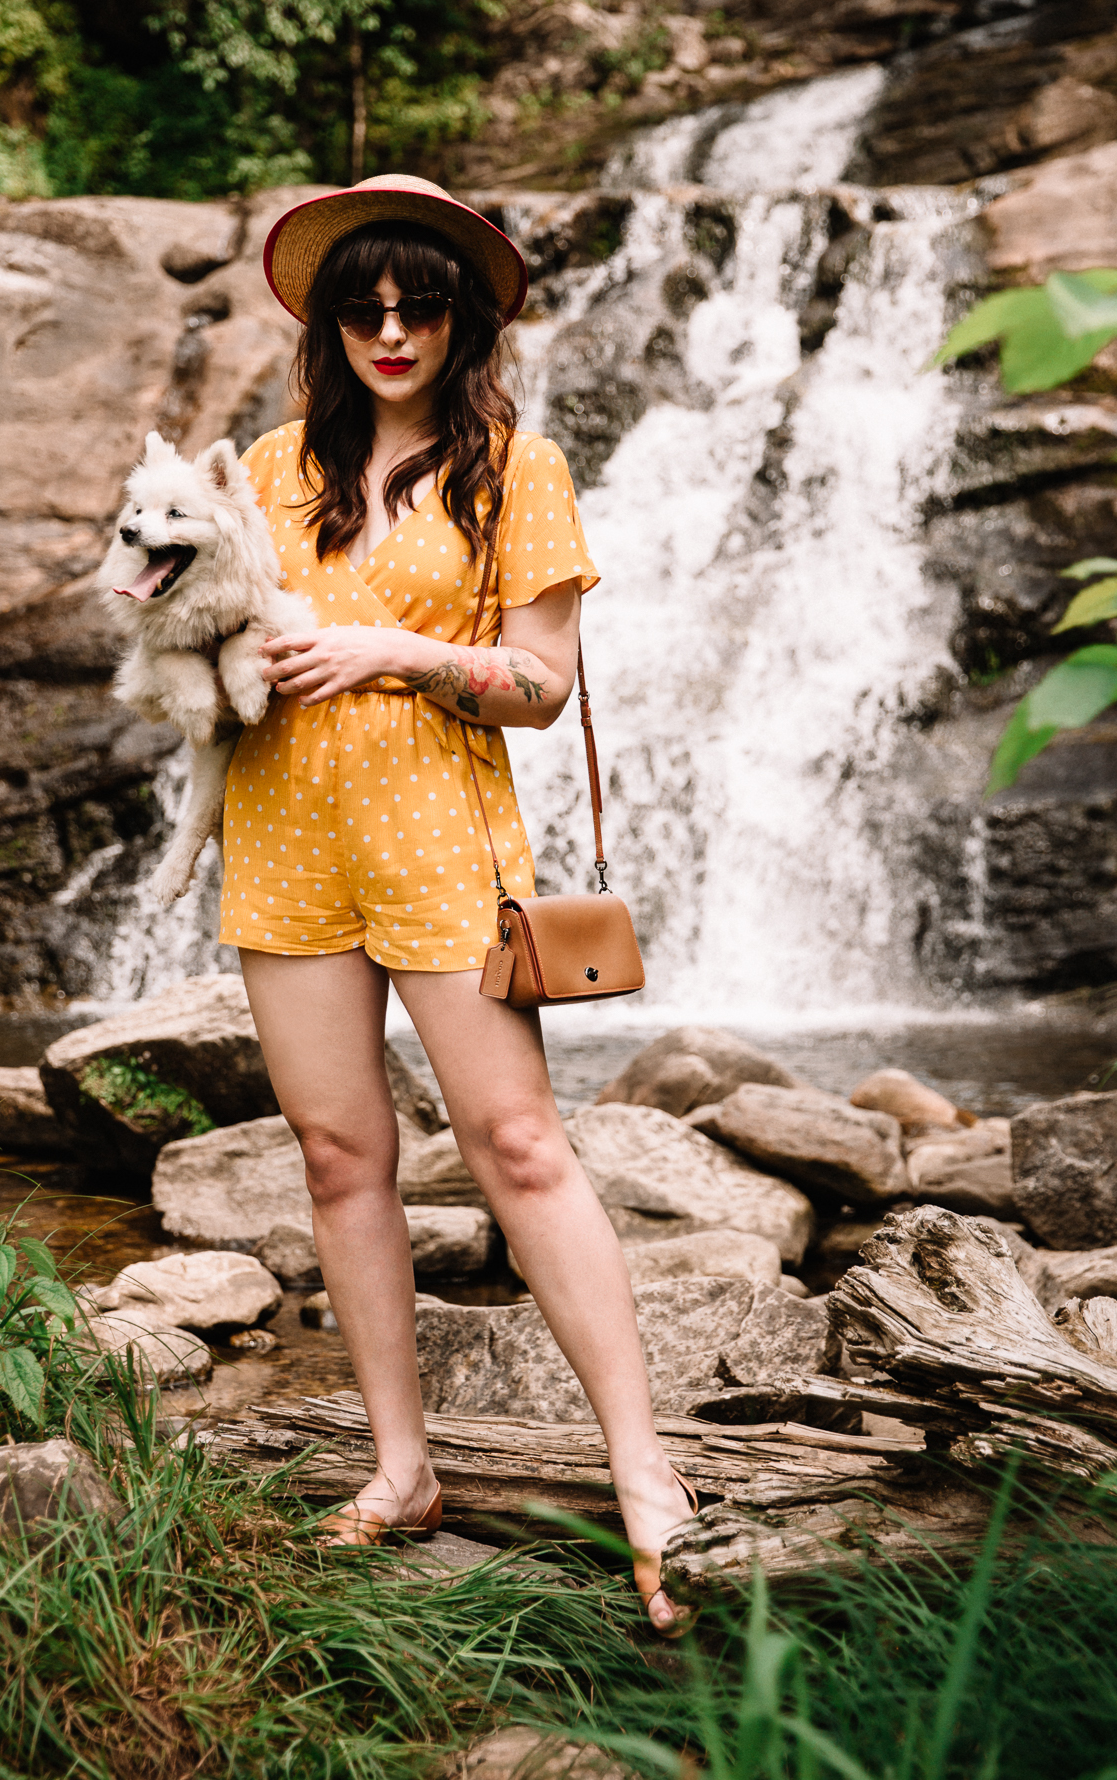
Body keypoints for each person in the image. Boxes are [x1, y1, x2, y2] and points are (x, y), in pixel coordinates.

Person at [218, 173, 696, 1635]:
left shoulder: (516, 468)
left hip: (443, 843)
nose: (389, 330)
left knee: (518, 1145)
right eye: (361, 306)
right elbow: (209, 645)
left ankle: (646, 1472)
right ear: (326, 319)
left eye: (419, 304)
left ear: (463, 315)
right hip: (284, 834)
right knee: (336, 1152)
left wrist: (384, 647)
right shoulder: (267, 469)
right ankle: (404, 1468)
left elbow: (546, 690)